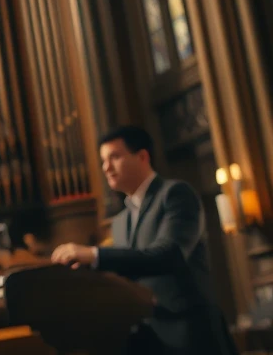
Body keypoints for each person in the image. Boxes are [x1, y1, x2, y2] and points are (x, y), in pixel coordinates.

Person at [51, 125, 237, 355]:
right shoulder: (120, 221)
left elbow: (169, 254)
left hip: (192, 335)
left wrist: (94, 254)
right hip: (146, 339)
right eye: (103, 161)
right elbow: (128, 271)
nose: (106, 167)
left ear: (142, 157)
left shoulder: (176, 194)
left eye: (114, 157)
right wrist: (88, 270)